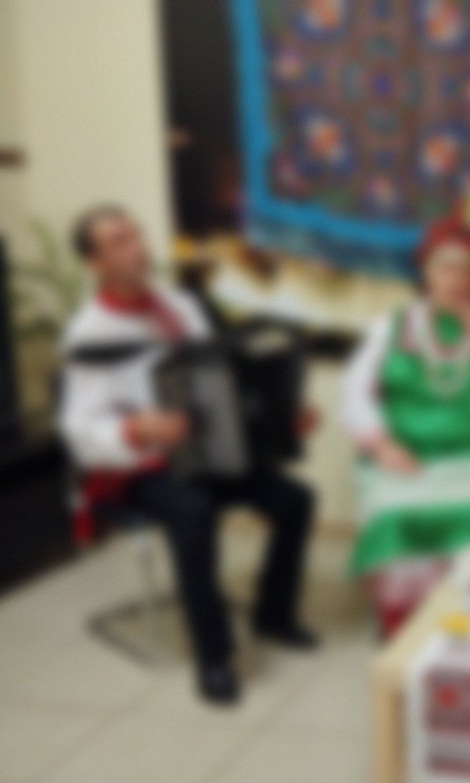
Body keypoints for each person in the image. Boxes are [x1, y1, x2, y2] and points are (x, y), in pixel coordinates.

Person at [59, 205, 316, 705]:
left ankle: (273, 615)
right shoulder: (88, 334)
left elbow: (225, 377)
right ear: (95, 263)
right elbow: (79, 431)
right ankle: (213, 657)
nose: (137, 247)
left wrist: (282, 414)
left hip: (205, 452)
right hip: (140, 467)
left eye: (136, 234)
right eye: (118, 241)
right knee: (193, 511)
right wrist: (136, 428)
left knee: (295, 499)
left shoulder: (181, 306)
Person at [342, 219, 470, 635]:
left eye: (467, 269)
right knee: (392, 517)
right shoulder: (391, 328)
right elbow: (355, 395)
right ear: (426, 272)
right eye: (446, 267)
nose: (456, 279)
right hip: (407, 460)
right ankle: (402, 627)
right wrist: (381, 446)